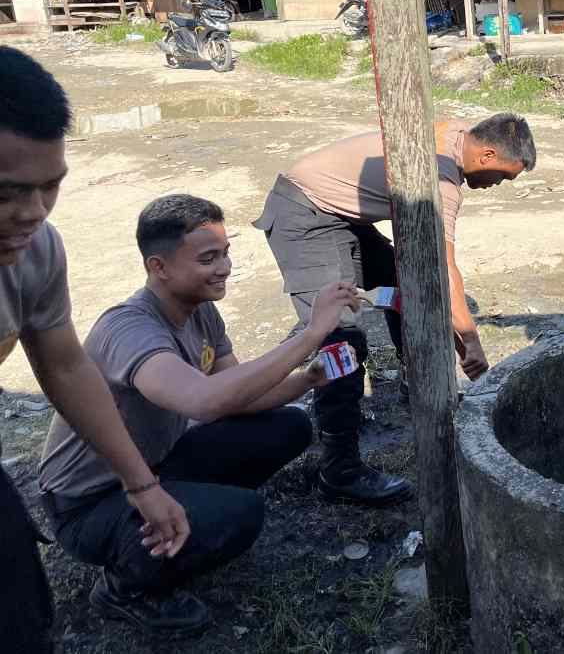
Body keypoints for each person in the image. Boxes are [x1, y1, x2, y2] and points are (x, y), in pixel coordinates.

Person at [39, 194, 359, 637]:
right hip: (89, 504)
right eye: (209, 258)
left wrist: (306, 380)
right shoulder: (130, 329)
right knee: (241, 515)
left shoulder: (201, 312)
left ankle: (193, 521)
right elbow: (204, 402)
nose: (225, 267)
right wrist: (311, 333)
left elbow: (236, 395)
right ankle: (124, 587)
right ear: (159, 267)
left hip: (155, 465)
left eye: (226, 254)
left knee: (289, 426)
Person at [0, 48, 190, 653]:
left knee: (23, 623)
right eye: (5, 193)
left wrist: (140, 484)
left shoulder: (36, 251)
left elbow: (62, 363)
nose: (31, 214)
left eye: (49, 187)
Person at [255, 114, 536, 504]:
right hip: (306, 212)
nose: (496, 186)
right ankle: (340, 469)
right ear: (487, 154)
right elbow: (441, 265)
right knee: (342, 339)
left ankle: (419, 387)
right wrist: (470, 341)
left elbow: (424, 274)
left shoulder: (454, 134)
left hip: (339, 212)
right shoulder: (440, 182)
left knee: (409, 287)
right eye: (503, 177)